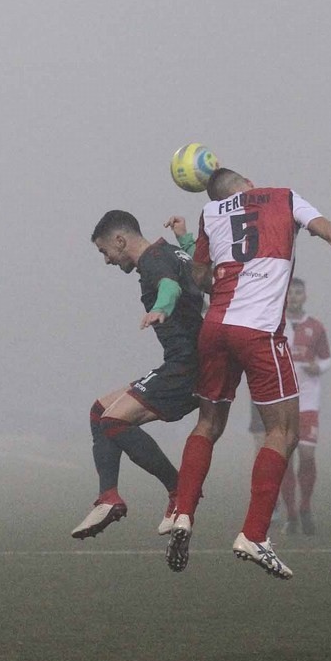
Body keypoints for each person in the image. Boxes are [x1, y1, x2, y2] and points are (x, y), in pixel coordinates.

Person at [165, 167, 331, 578]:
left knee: (208, 423)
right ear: (249, 184)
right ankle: (254, 534)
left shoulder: (211, 214)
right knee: (284, 431)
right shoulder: (283, 197)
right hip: (257, 332)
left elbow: (202, 277)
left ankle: (181, 512)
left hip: (215, 329)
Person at [71, 210, 204, 540]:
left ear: (120, 240)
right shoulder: (172, 251)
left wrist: (161, 306)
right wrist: (185, 237)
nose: (107, 260)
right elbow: (196, 267)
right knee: (100, 410)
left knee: (113, 422)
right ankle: (109, 497)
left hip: (187, 367)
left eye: (105, 252)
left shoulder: (152, 261)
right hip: (184, 362)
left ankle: (178, 491)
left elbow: (170, 286)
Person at [278, 277, 330, 535]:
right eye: (290, 293)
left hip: (308, 401)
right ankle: (291, 515)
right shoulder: (274, 324)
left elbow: (327, 359)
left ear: (305, 296)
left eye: (299, 292)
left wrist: (317, 367)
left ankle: (306, 506)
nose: (294, 297)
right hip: (281, 401)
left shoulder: (316, 327)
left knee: (307, 457)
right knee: (284, 459)